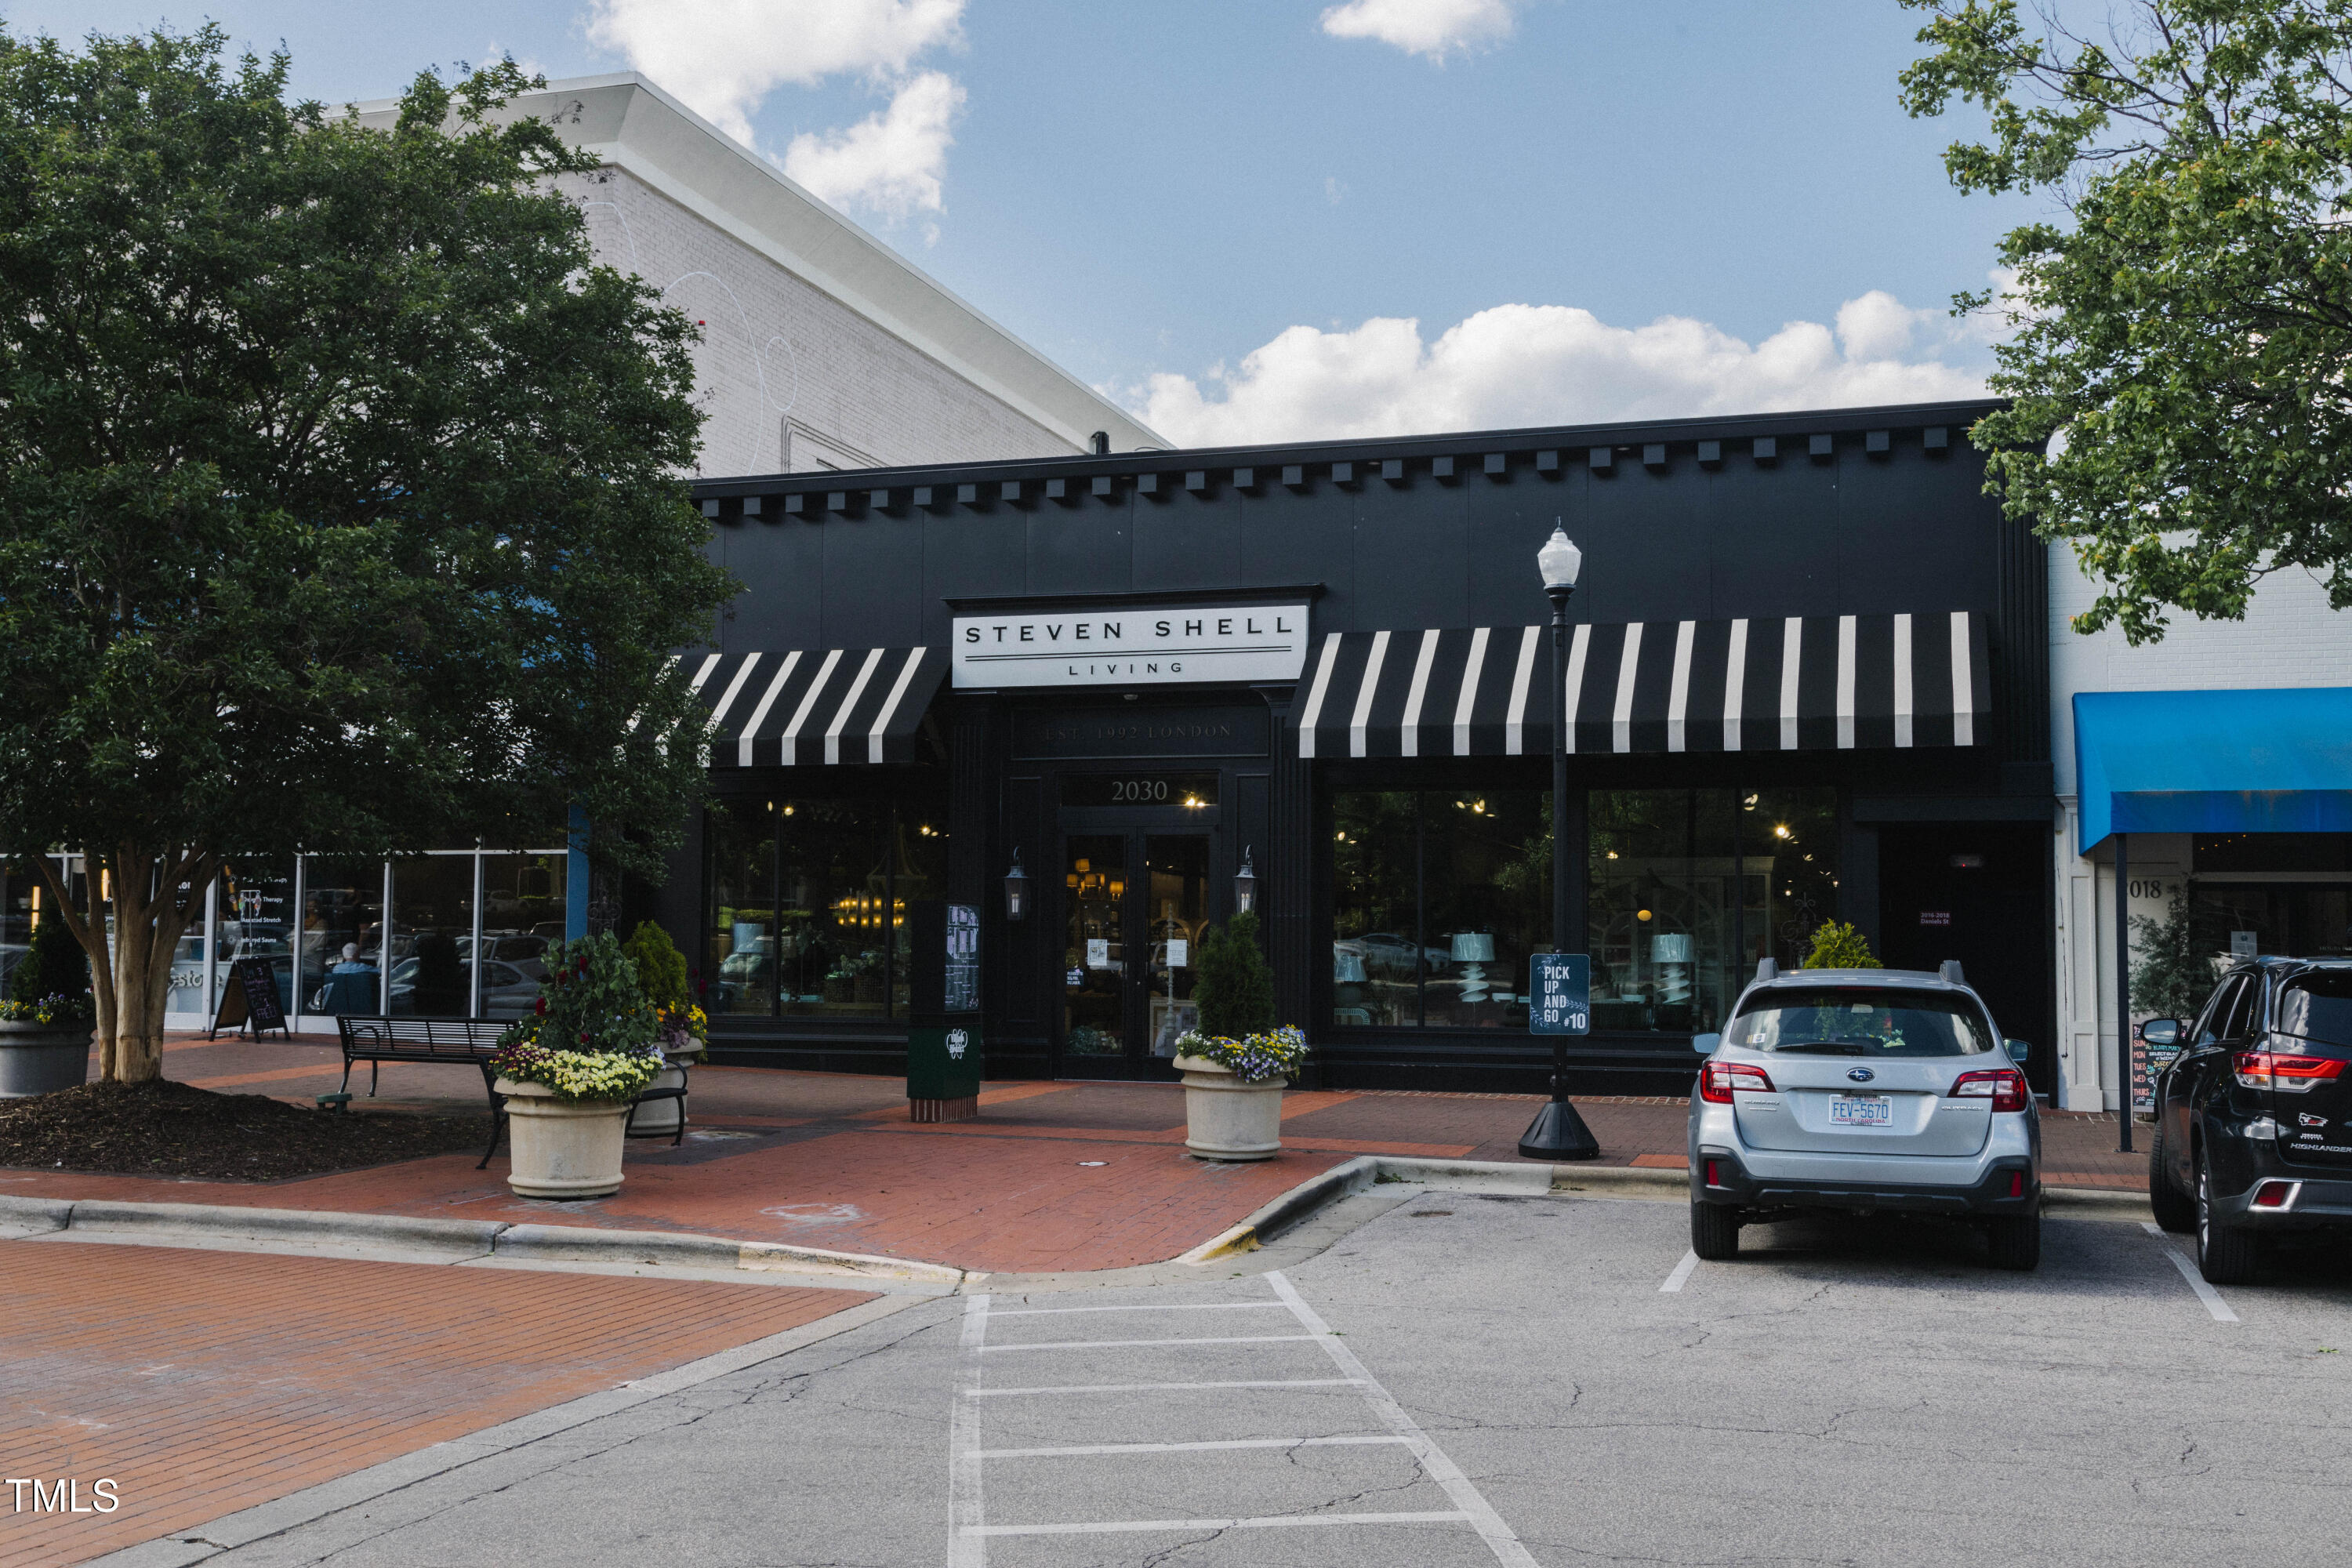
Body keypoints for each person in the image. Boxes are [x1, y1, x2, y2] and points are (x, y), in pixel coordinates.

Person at [311, 942, 378, 1015]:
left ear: (344, 955)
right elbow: (383, 972)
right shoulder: (364, 968)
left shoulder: (336, 969)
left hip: (339, 1006)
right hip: (362, 1005)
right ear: (357, 954)